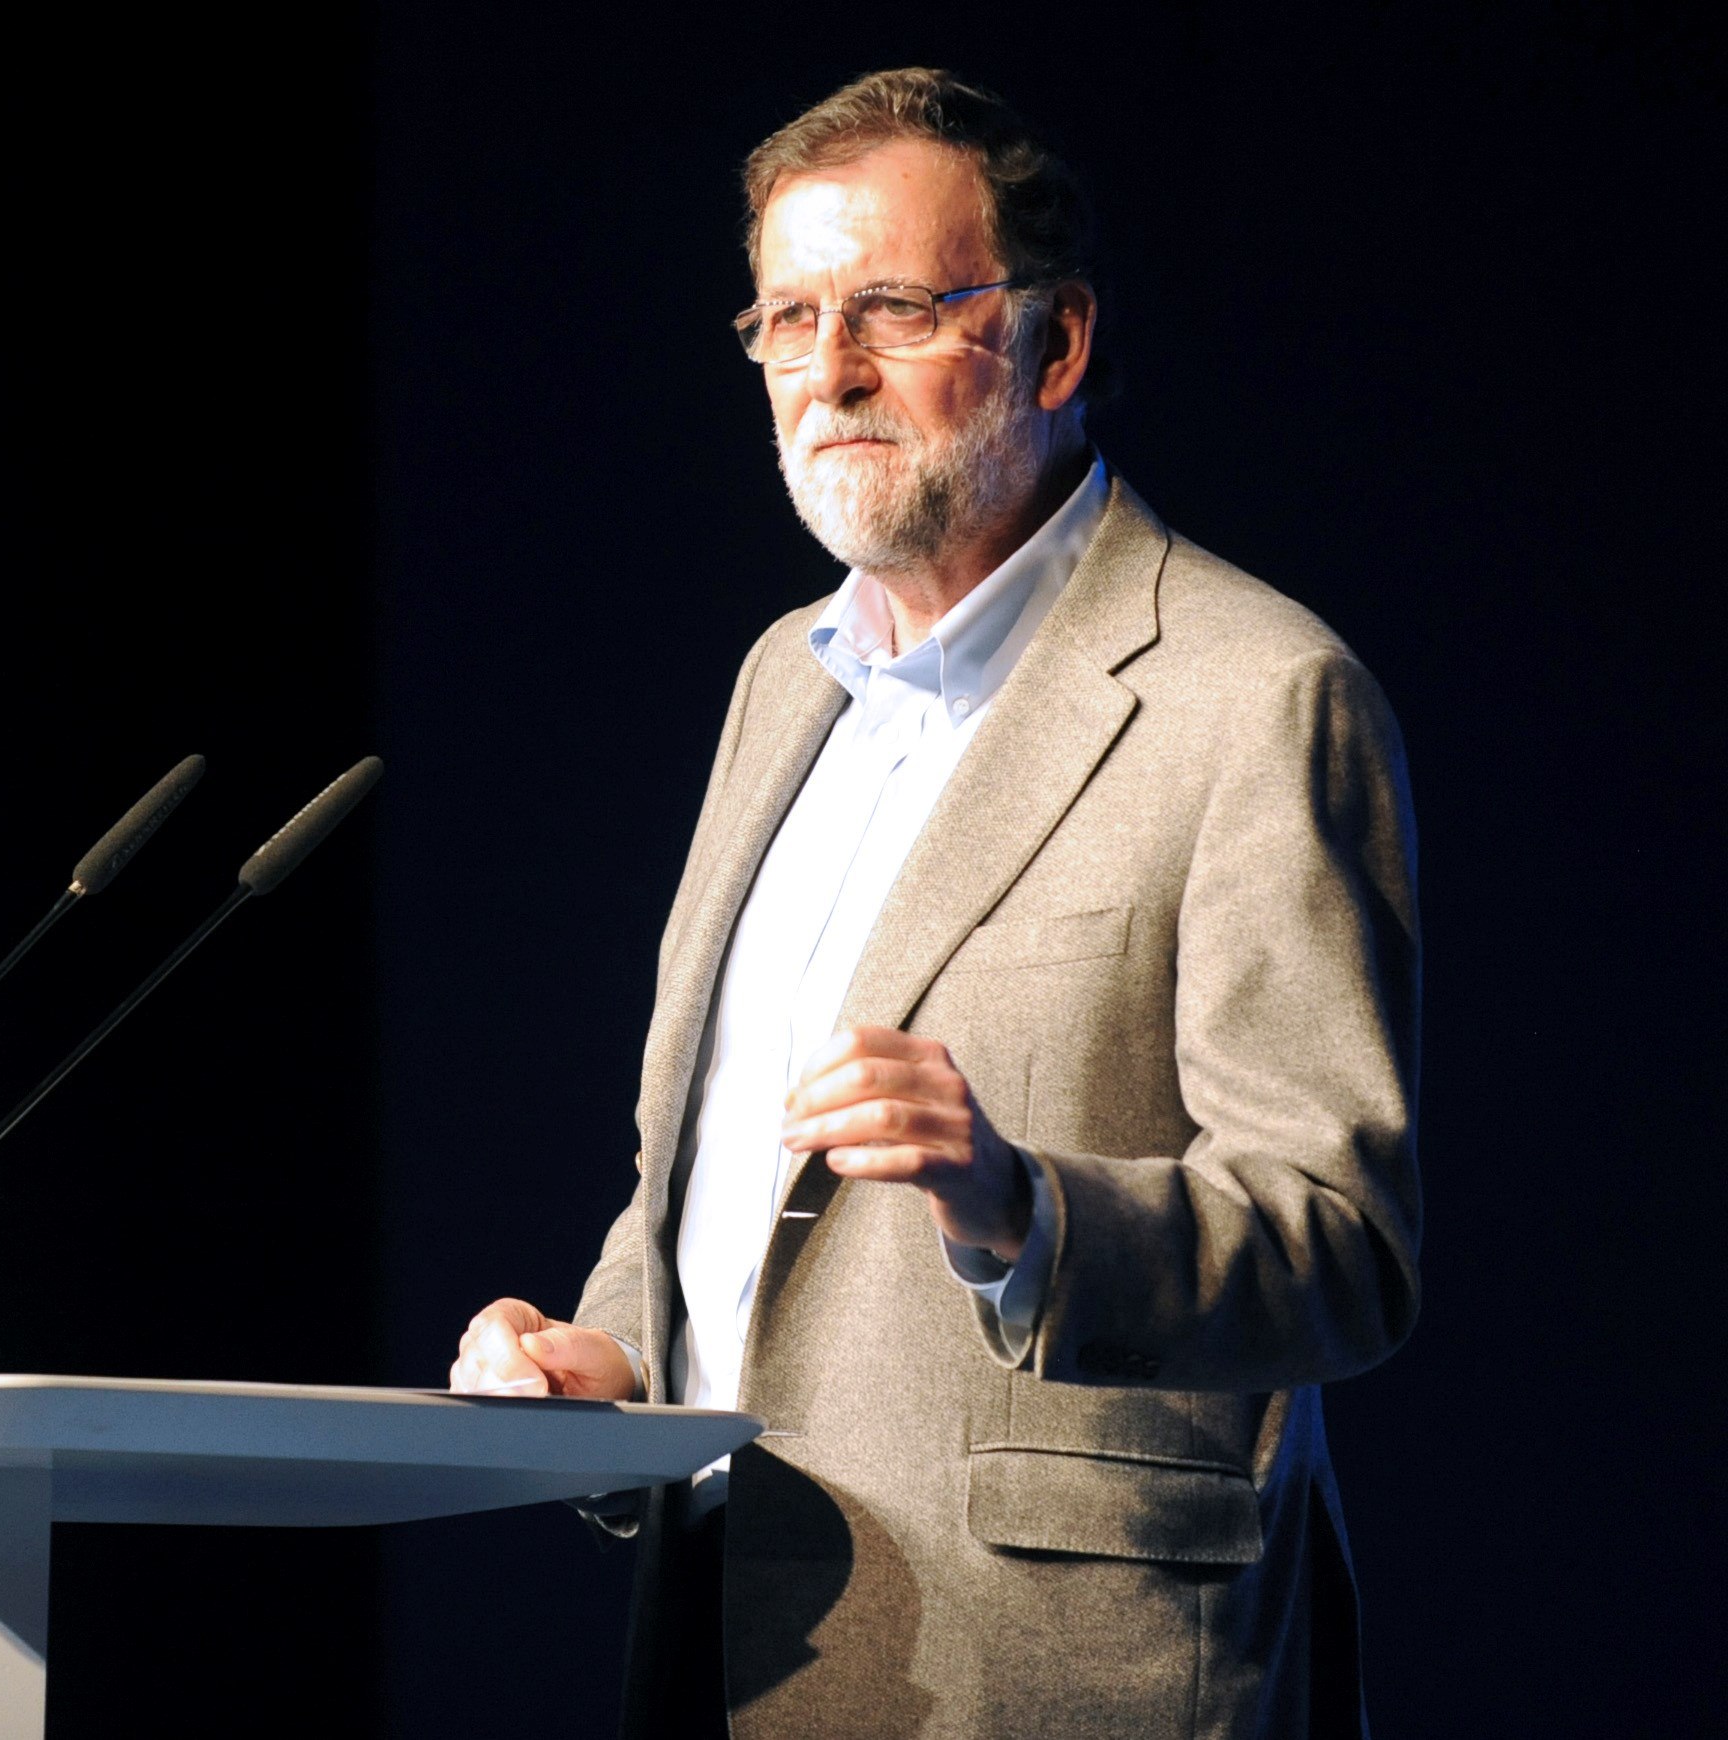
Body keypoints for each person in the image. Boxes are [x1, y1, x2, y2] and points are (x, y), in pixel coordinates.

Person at [447, 68, 1420, 1739]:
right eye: (787, 317)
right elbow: (701, 1186)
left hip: (1059, 1674)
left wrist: (1024, 1210)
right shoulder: (781, 684)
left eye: (893, 310)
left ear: (1057, 346)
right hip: (727, 1653)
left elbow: (1341, 1251)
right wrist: (610, 1362)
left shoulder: (1255, 696)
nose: (827, 373)